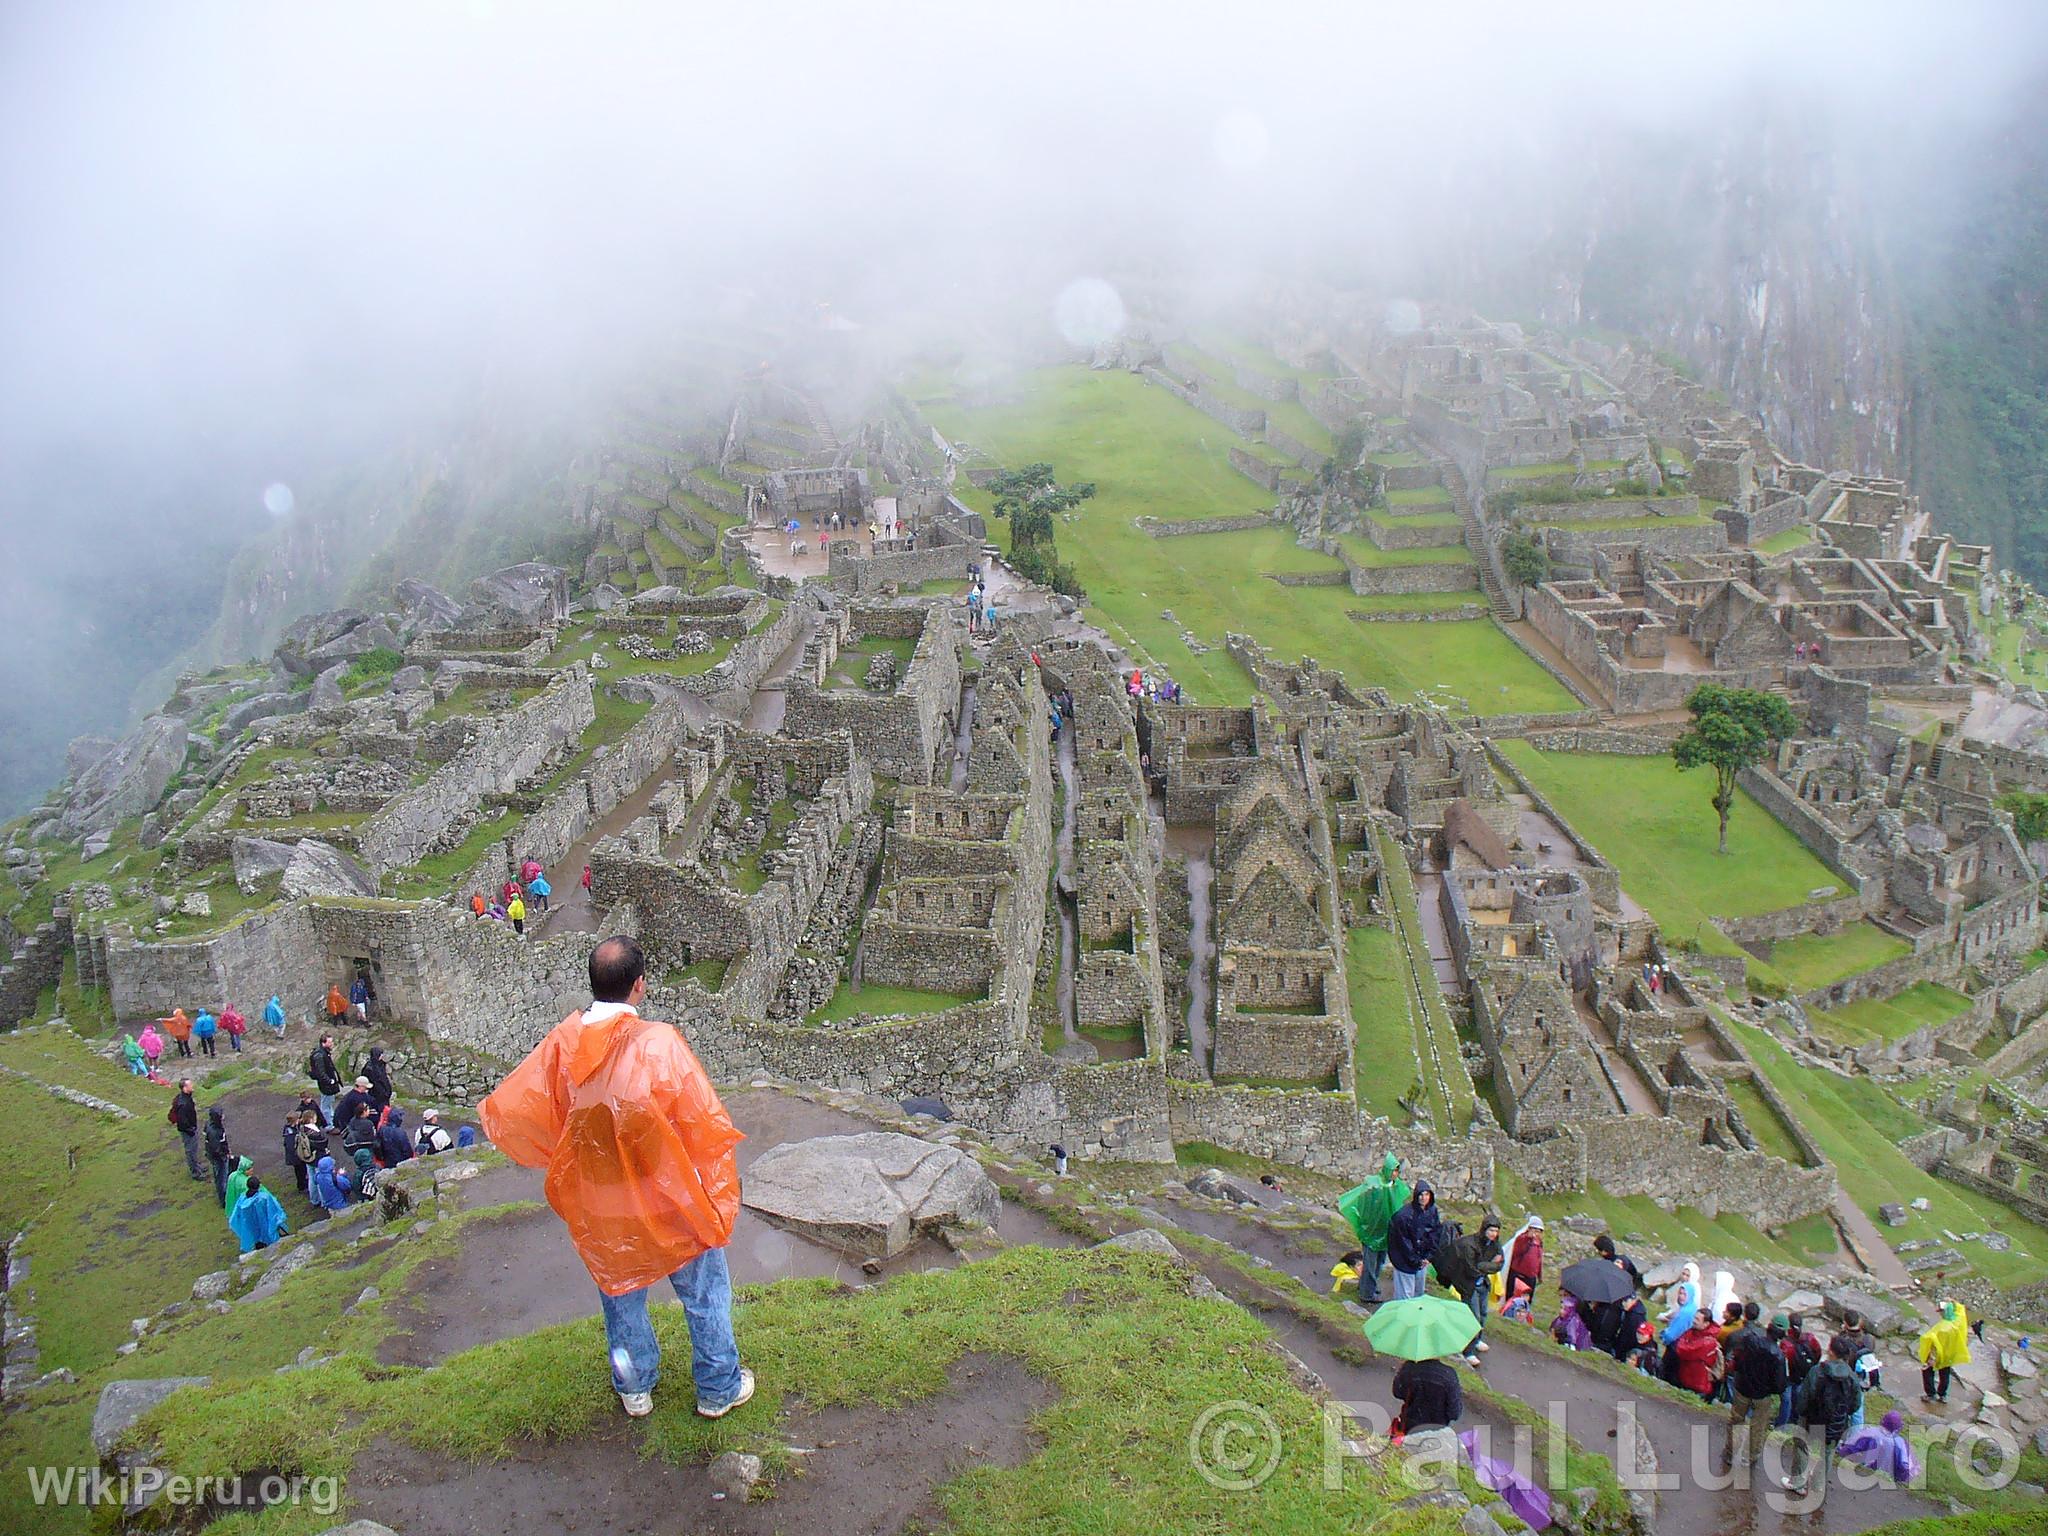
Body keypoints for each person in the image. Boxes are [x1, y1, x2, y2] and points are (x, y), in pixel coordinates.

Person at [481, 934, 753, 1421]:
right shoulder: (659, 1043)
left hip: (602, 1198)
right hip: (665, 1192)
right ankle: (717, 1386)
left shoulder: (563, 1045)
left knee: (620, 1288)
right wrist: (710, 1186)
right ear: (639, 986)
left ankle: (635, 1387)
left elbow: (530, 1109)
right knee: (703, 1290)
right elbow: (698, 1119)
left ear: (594, 985)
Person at [1784, 1334, 1863, 1498]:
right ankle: (1818, 1486)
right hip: (1836, 1423)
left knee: (1802, 1447)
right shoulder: (1853, 1378)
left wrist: (1801, 1413)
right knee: (1827, 1453)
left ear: (1831, 1352)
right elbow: (1855, 1405)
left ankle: (1798, 1483)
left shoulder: (1817, 1371)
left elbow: (1804, 1397)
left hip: (1812, 1419)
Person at [1433, 1214, 1504, 1365]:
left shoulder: (1495, 1244)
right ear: (1484, 1229)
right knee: (1473, 1317)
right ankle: (1468, 1351)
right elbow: (1472, 1269)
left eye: (1496, 1231)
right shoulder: (1470, 1245)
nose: (1493, 1234)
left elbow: (1499, 1264)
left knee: (1483, 1314)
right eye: (1491, 1230)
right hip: (1469, 1286)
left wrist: (1482, 1265)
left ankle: (1477, 1340)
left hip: (1482, 1284)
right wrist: (1488, 1264)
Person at [1726, 1301, 1787, 1474]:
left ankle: (1730, 1453)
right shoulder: (1779, 1356)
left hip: (1742, 1387)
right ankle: (1751, 1457)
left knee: (1736, 1420)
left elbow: (1737, 1360)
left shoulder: (1749, 1340)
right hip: (1762, 1395)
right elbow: (1780, 1383)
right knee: (1758, 1426)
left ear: (1768, 1327)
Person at [1385, 1181, 1444, 1301]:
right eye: (1421, 1195)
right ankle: (1401, 1318)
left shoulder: (1432, 1211)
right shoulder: (1403, 1216)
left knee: (1418, 1294)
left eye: (1427, 1194)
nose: (1424, 1198)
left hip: (1421, 1259)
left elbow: (1435, 1234)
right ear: (1416, 1196)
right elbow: (1402, 1243)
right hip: (1404, 1260)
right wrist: (1415, 1260)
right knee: (1405, 1296)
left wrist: (1429, 1257)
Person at [1391, 1356, 1464, 1435]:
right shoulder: (1449, 1375)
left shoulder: (1410, 1367)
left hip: (1408, 1426)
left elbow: (1397, 1392)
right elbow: (1454, 1413)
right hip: (1436, 1431)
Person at [1917, 1300, 1970, 1403]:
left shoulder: (1943, 1328)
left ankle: (1931, 1394)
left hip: (1938, 1355)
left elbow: (1935, 1344)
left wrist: (1931, 1358)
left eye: (1941, 1311)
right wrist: (1954, 1302)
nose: (1940, 1313)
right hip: (1949, 1355)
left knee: (1927, 1371)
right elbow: (1961, 1310)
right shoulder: (1957, 1322)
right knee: (1944, 1375)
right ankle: (1942, 1395)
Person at [1779, 1311, 1823, 1428]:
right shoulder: (1810, 1338)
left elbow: (1782, 1362)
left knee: (1786, 1400)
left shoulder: (1786, 1343)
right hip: (1803, 1374)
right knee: (1798, 1396)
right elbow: (1818, 1353)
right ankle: (1795, 1418)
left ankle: (1782, 1424)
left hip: (1789, 1377)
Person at [228, 1174, 289, 1254]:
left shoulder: (242, 1200)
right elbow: (274, 1213)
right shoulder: (264, 1198)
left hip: (252, 1230)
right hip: (267, 1230)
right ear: (258, 1185)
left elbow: (236, 1216)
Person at [1672, 1308, 1724, 1401]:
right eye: (1694, 1318)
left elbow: (1683, 1350)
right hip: (1686, 1378)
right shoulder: (1693, 1331)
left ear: (1706, 1324)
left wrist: (1683, 1343)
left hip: (1698, 1386)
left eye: (1697, 1319)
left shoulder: (1708, 1342)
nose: (1693, 1321)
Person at [1505, 1215, 1544, 1304]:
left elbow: (1539, 1260)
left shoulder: (1539, 1242)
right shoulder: (1521, 1239)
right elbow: (1516, 1251)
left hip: (1531, 1277)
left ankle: (1523, 1314)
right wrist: (1527, 1237)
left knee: (1527, 1299)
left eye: (1539, 1231)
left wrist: (1539, 1275)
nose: (1536, 1233)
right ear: (1529, 1228)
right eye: (1534, 1230)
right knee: (1513, 1298)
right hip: (1518, 1275)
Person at [168, 1078, 201, 1181]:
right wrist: (191, 1130)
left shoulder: (185, 1098)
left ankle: (197, 1167)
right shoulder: (183, 1103)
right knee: (190, 1151)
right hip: (188, 1131)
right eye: (190, 1084)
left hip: (190, 1128)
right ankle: (195, 1173)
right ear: (184, 1088)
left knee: (193, 1150)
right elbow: (182, 1122)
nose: (192, 1086)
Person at [308, 1036, 343, 1125]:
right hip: (326, 1085)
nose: (332, 1044)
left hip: (329, 1084)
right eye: (330, 1042)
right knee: (326, 1105)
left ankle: (331, 1121)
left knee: (329, 1103)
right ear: (323, 1043)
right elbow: (320, 1072)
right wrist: (329, 1081)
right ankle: (329, 1125)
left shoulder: (324, 1053)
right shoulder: (320, 1055)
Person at [204, 1107, 234, 1207]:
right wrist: (225, 1155)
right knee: (222, 1178)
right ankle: (224, 1201)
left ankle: (224, 1197)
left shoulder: (210, 1125)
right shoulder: (216, 1131)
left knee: (220, 1177)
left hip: (215, 1156)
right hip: (219, 1158)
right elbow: (217, 1148)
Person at [283, 1109, 310, 1195]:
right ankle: (302, 1187)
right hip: (296, 1156)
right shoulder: (291, 1133)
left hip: (296, 1155)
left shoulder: (290, 1129)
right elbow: (292, 1146)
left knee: (301, 1170)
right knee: (300, 1172)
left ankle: (303, 1184)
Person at [364, 1047, 394, 1112]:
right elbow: (373, 1082)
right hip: (376, 1096)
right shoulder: (370, 1068)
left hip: (385, 1095)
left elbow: (384, 1079)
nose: (382, 1056)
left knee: (386, 1113)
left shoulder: (381, 1064)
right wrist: (383, 1093)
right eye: (380, 1054)